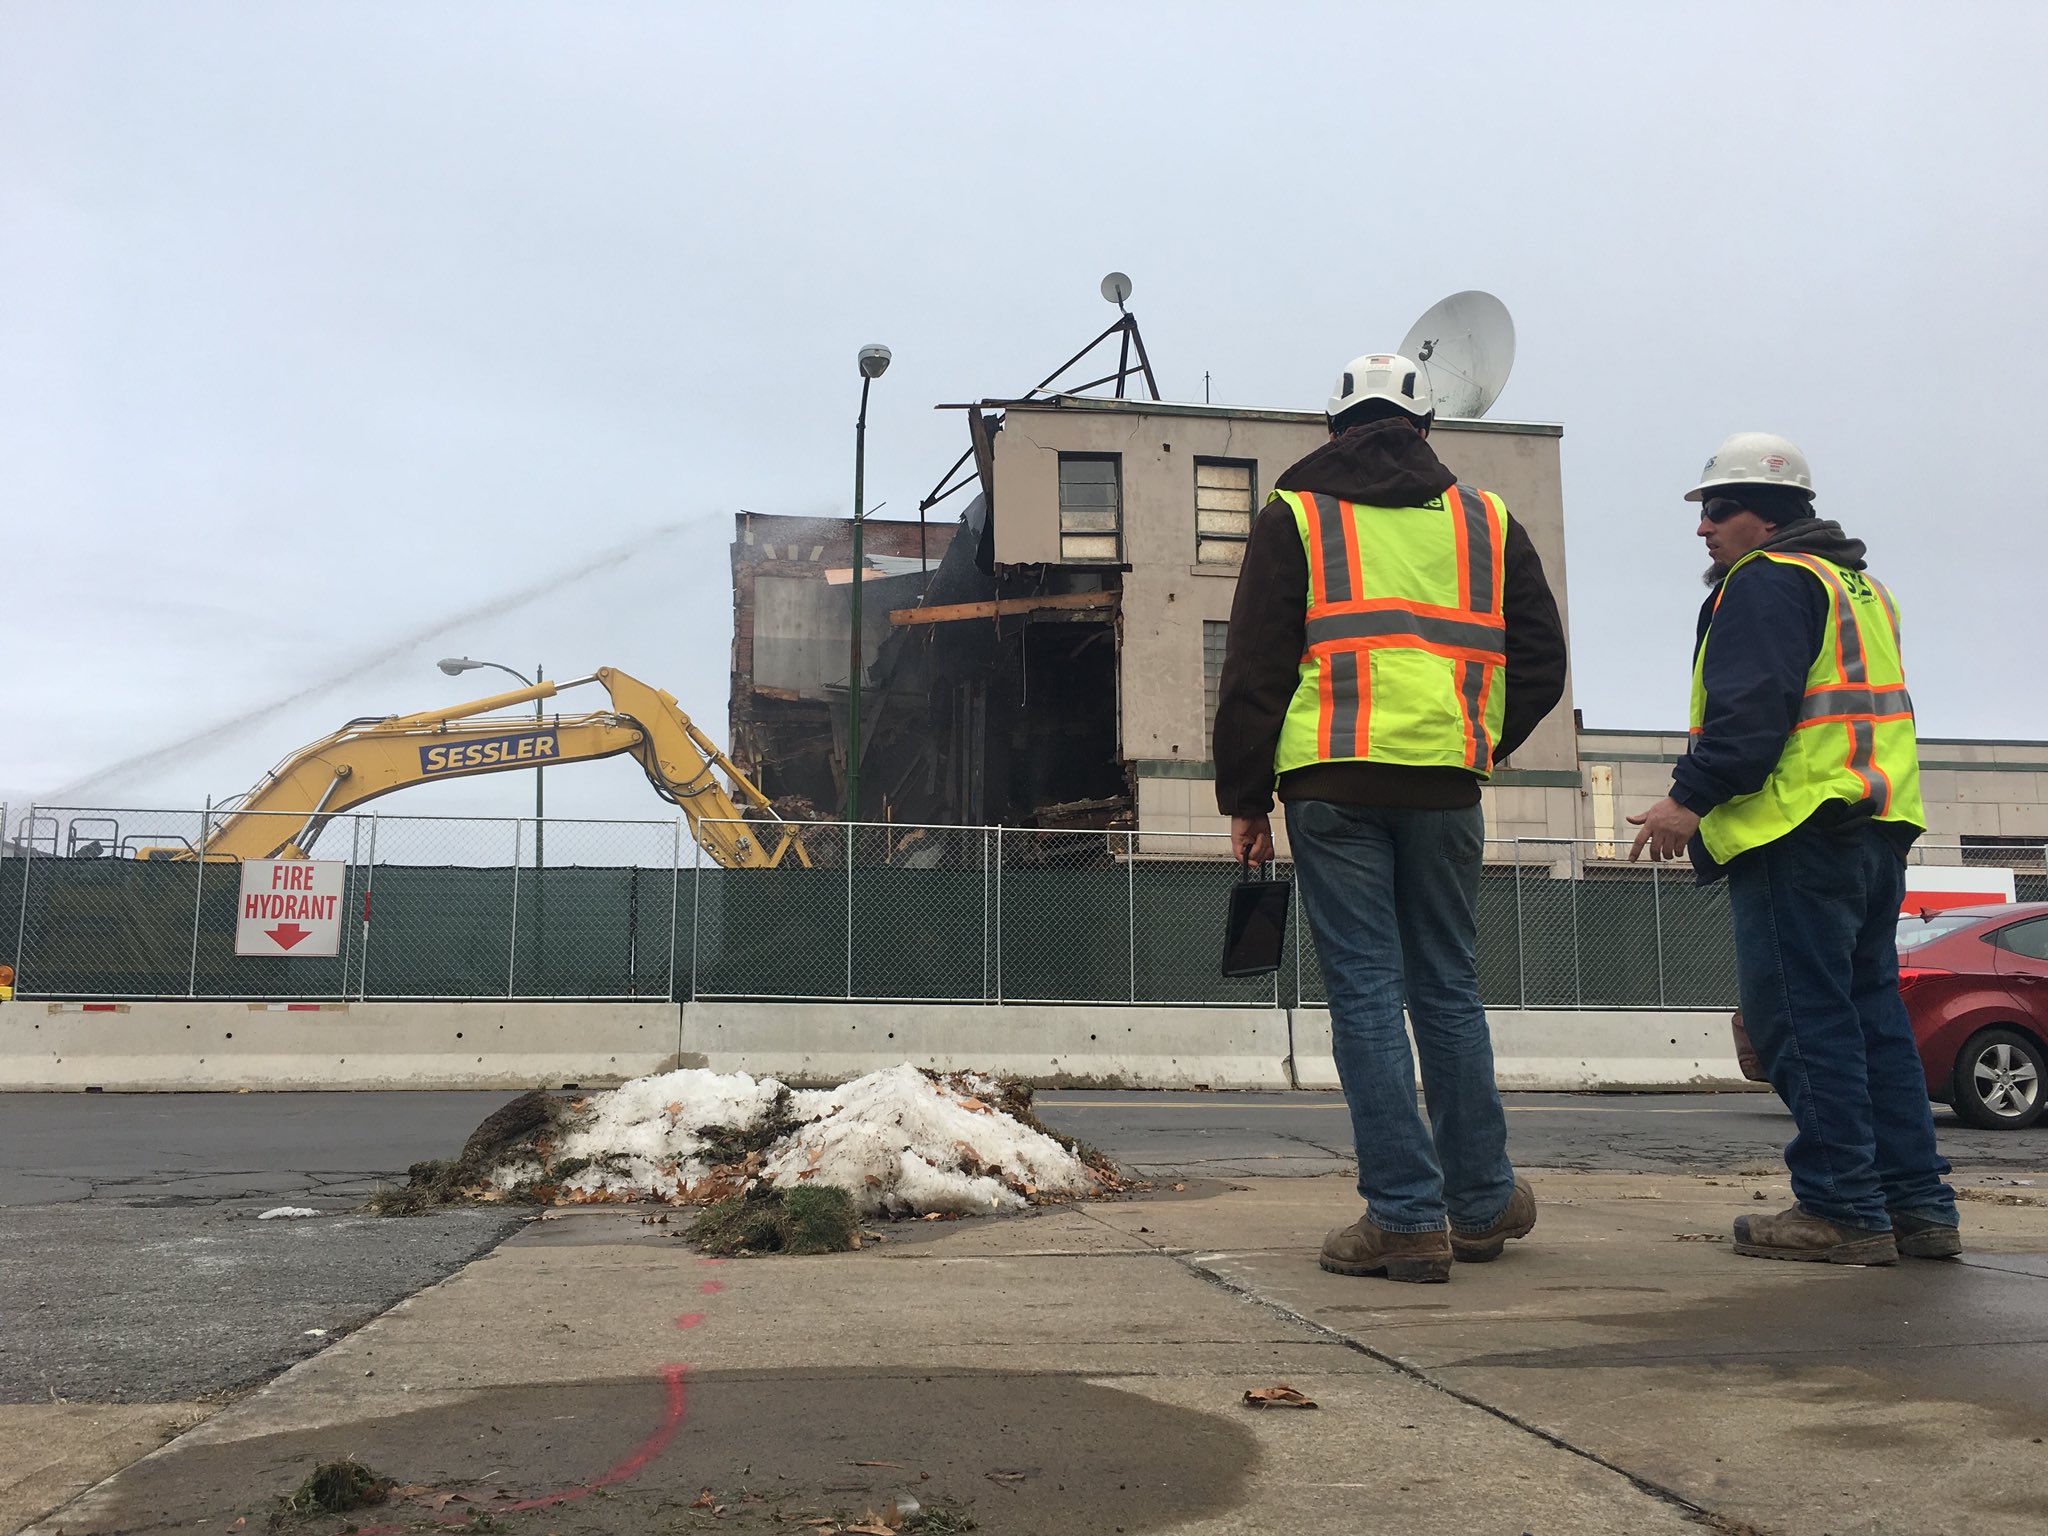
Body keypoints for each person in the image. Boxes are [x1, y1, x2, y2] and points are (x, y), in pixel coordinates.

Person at [1213, 353, 1567, 1282]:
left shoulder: (1297, 514)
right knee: (1446, 989)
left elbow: (1253, 669)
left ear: (1333, 429)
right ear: (1424, 430)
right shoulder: (1486, 522)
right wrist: (1476, 740)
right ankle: (1481, 1204)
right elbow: (1541, 662)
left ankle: (1407, 1218)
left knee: (1367, 993)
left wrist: (1246, 800)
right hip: (1445, 789)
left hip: (1331, 787)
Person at [1628, 432, 1959, 1264]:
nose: (1703, 528)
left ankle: (1841, 1205)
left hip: (1796, 833)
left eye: (1717, 510)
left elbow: (1750, 715)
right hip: (1874, 832)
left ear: (1766, 518)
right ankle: (1917, 1206)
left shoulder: (1765, 583)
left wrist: (1686, 800)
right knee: (1872, 1021)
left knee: (1800, 1026)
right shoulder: (1859, 586)